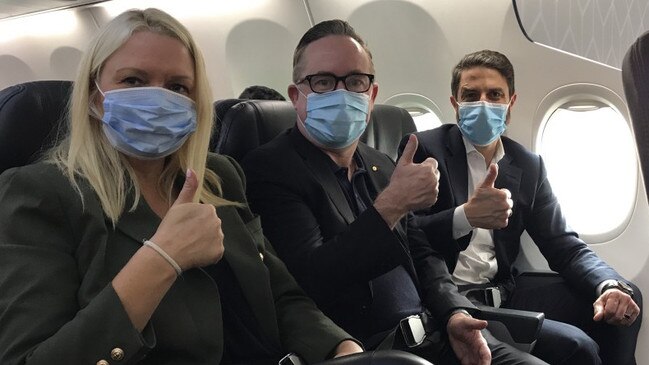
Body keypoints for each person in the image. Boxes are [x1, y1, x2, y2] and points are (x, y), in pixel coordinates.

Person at [0, 8, 374, 365]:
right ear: (95, 96)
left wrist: (339, 346)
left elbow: (281, 295)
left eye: (178, 86)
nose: (159, 98)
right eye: (133, 80)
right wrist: (162, 258)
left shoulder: (217, 177)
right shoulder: (40, 195)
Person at [241, 20, 549, 365]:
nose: (342, 94)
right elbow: (310, 281)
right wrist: (390, 207)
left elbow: (421, 252)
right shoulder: (270, 169)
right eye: (323, 82)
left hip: (435, 334)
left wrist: (455, 313)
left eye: (356, 81)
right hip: (372, 350)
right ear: (297, 96)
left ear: (371, 96)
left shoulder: (381, 163)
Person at [402, 49, 643, 364]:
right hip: (445, 296)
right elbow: (410, 235)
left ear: (510, 102)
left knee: (624, 300)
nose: (483, 103)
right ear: (455, 104)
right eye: (471, 95)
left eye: (495, 94)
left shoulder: (527, 165)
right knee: (577, 347)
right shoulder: (424, 150)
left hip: (503, 291)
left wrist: (606, 283)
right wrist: (465, 218)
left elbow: (564, 246)